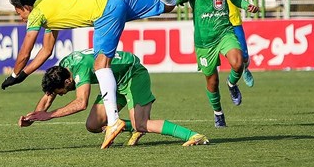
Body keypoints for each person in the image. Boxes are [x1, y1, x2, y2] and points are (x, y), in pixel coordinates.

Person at [0, 0, 191, 149]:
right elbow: (46, 51)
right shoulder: (49, 7)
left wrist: (14, 73)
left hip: (105, 11)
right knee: (166, 6)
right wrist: (23, 75)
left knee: (101, 64)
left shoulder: (36, 14)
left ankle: (114, 121)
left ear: (27, 7)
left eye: (19, 12)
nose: (21, 17)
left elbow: (25, 51)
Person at [18, 49, 209, 149]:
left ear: (68, 81)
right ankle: (130, 127)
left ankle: (193, 135)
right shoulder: (64, 66)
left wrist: (49, 115)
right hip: (112, 80)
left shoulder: (81, 69)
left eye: (61, 91)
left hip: (133, 74)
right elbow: (48, 95)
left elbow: (81, 103)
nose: (60, 95)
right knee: (93, 124)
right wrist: (34, 116)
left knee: (142, 123)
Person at [175, 0, 259, 128]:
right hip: (205, 40)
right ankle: (218, 113)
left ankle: (231, 84)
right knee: (212, 81)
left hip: (224, 32)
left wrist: (247, 6)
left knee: (238, 62)